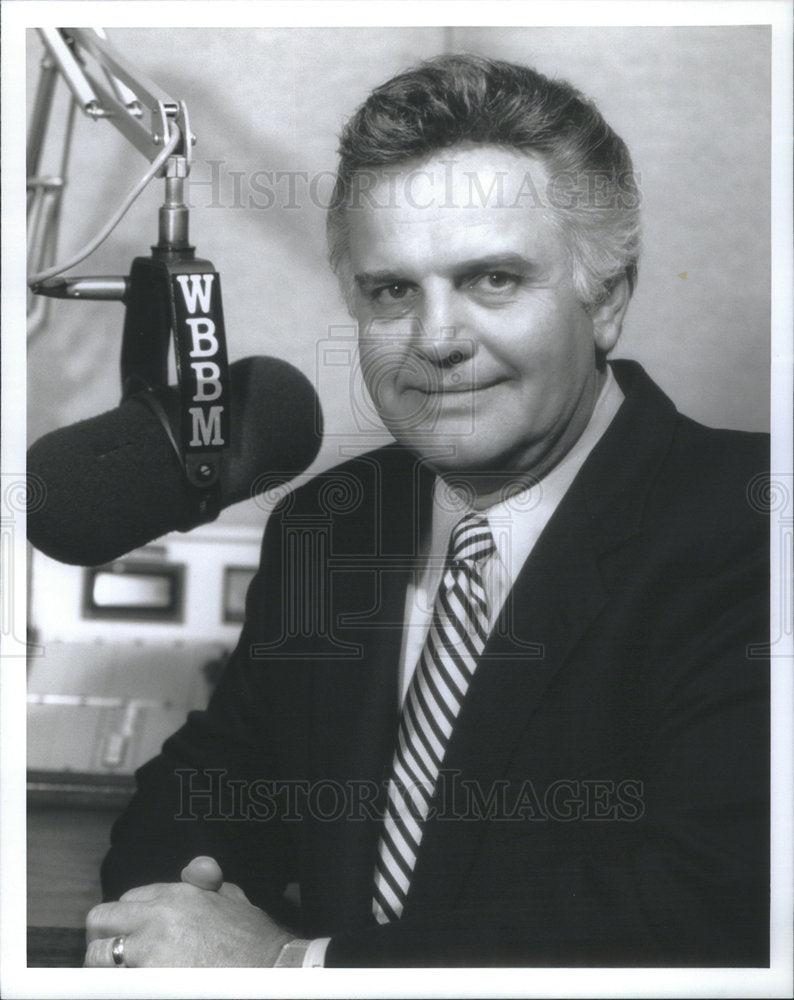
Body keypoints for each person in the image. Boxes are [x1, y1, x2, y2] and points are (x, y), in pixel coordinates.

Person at [85, 54, 769, 968]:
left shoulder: (751, 526)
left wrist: (289, 971)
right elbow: (207, 791)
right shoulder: (331, 523)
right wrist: (181, 915)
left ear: (606, 300)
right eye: (392, 291)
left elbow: (715, 908)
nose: (436, 340)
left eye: (493, 279)